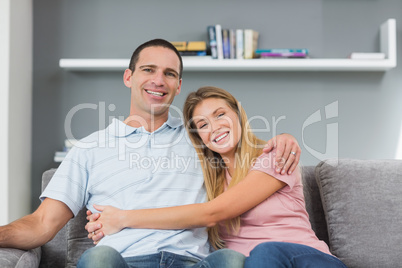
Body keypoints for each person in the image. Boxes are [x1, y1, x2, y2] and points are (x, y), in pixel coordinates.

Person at [0, 39, 300, 268]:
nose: (159, 80)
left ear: (178, 86)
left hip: (192, 261)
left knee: (232, 260)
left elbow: (245, 150)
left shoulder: (201, 139)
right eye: (148, 70)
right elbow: (41, 224)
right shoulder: (89, 149)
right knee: (99, 258)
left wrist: (284, 138)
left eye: (169, 74)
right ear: (128, 77)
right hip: (122, 259)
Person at [85, 86, 347, 268]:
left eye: (220, 114)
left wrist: (123, 218)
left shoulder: (273, 155)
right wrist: (104, 217)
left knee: (265, 253)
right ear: (200, 138)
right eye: (203, 125)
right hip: (249, 264)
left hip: (305, 260)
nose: (215, 128)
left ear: (238, 114)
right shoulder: (206, 181)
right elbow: (158, 192)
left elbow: (212, 213)